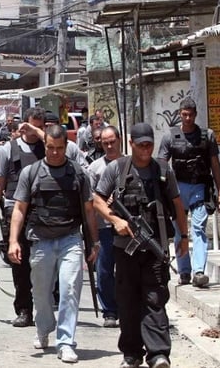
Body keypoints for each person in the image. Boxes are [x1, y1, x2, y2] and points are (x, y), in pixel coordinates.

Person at [93, 123, 188, 368]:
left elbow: (177, 205)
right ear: (132, 144)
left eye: (149, 144)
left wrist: (184, 237)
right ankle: (132, 353)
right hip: (125, 249)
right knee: (127, 300)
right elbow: (97, 199)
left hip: (155, 247)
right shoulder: (117, 169)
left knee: (155, 299)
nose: (146, 149)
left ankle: (158, 354)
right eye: (141, 144)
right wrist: (115, 220)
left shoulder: (163, 171)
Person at [7, 124, 99, 364]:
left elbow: (89, 210)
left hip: (70, 239)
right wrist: (13, 240)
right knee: (40, 293)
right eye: (50, 148)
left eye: (59, 148)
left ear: (65, 147)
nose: (55, 153)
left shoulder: (78, 173)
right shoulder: (32, 172)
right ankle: (44, 326)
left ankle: (66, 341)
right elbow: (19, 208)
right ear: (44, 145)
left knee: (69, 290)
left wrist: (95, 242)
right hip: (41, 240)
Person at [0, 107, 47, 327]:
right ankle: (24, 309)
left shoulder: (49, 147)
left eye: (40, 127)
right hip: (15, 210)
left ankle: (44, 308)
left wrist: (39, 133)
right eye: (32, 126)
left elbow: (64, 147)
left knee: (43, 263)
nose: (36, 131)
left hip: (42, 211)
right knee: (19, 263)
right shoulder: (8, 150)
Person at [158, 97, 220, 287]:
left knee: (198, 229)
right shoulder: (170, 137)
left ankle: (199, 272)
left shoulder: (207, 136)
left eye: (191, 115)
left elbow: (215, 164)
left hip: (200, 188)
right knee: (180, 233)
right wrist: (161, 192)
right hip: (178, 190)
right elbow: (161, 165)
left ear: (195, 115)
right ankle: (185, 271)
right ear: (180, 114)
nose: (187, 118)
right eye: (184, 114)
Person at [86, 125, 122, 328]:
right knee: (105, 270)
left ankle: (126, 307)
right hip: (103, 227)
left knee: (127, 270)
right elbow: (89, 199)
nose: (109, 145)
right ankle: (109, 311)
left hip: (127, 226)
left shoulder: (129, 163)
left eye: (112, 141)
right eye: (105, 142)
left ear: (119, 140)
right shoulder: (95, 168)